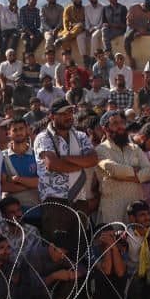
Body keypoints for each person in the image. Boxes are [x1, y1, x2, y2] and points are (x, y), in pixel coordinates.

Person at [32, 100, 97, 249]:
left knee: (79, 251)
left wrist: (66, 158)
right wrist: (80, 163)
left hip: (80, 201)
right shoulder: (43, 138)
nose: (68, 116)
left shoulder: (80, 136)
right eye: (63, 113)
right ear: (52, 116)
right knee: (57, 252)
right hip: (55, 203)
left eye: (70, 112)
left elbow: (93, 159)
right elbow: (53, 164)